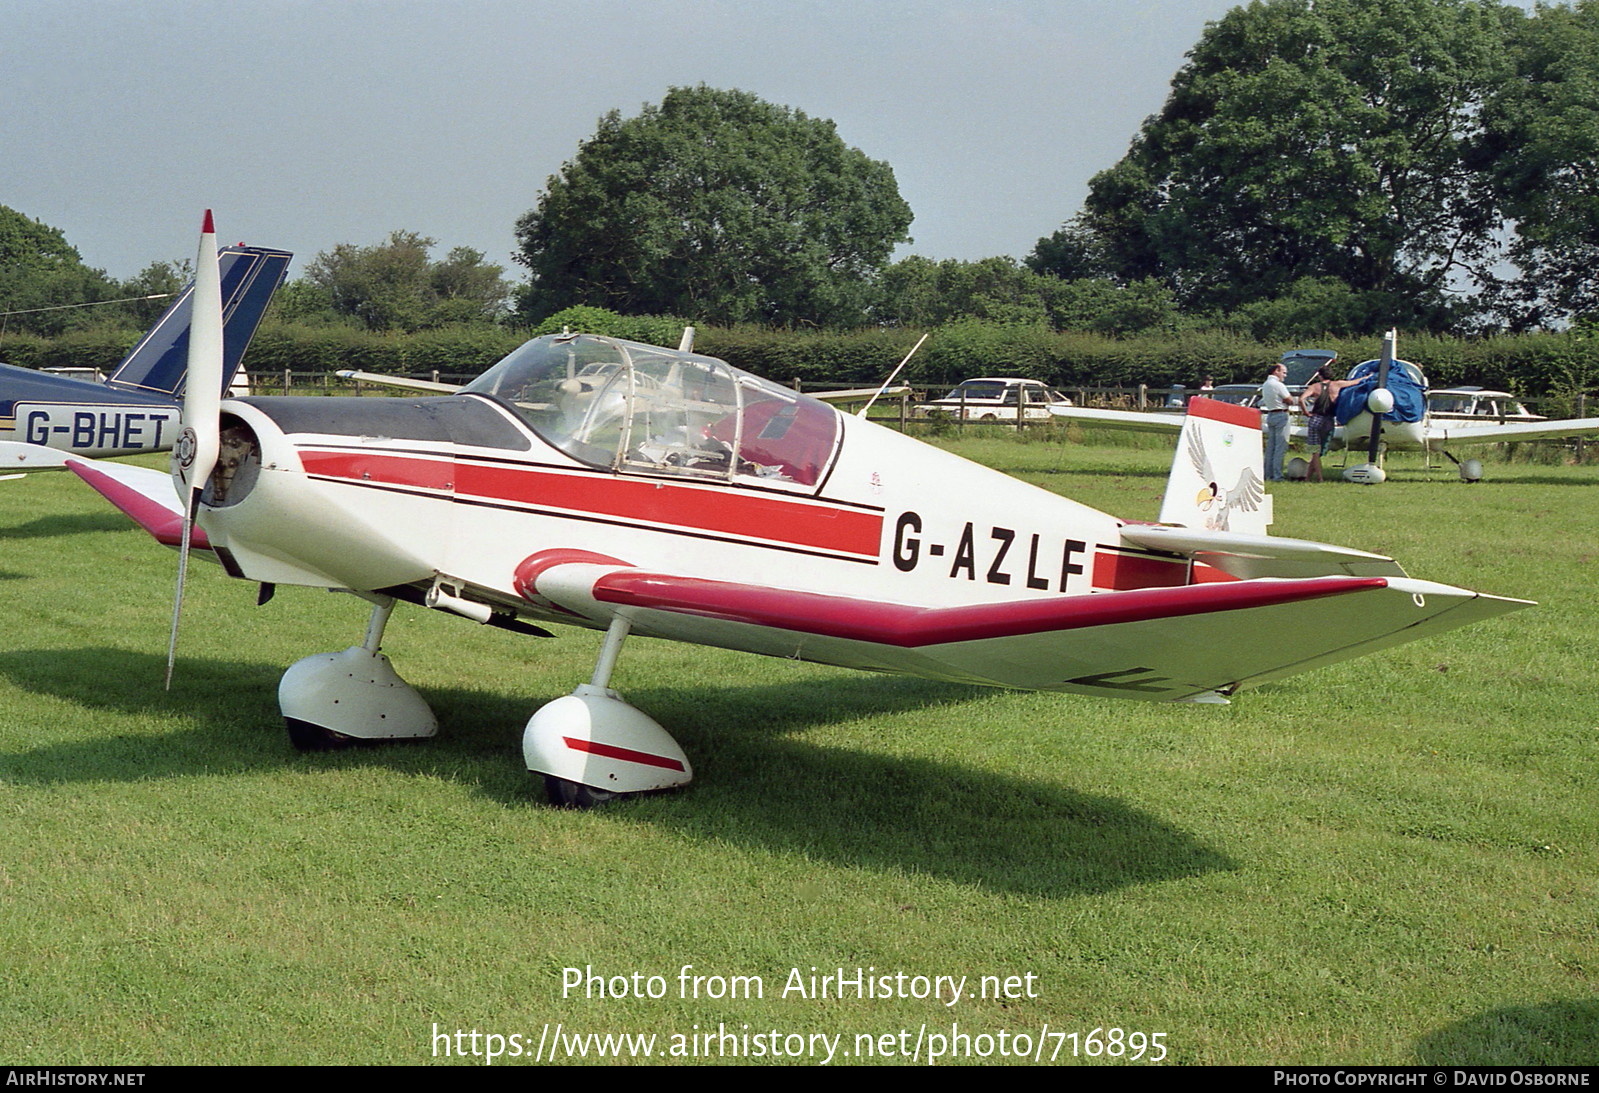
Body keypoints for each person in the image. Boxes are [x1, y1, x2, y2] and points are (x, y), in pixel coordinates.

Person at [1299, 363, 1354, 482]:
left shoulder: (1314, 387)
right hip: (1329, 421)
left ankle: (1320, 478)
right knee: (1320, 451)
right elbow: (1355, 382)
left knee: (1314, 452)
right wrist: (1367, 377)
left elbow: (1301, 399)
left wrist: (1306, 413)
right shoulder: (1337, 384)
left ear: (1320, 376)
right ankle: (1308, 478)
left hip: (1316, 419)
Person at [1259, 362, 1292, 481]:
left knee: (1271, 447)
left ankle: (1268, 474)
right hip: (1281, 414)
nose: (1285, 375)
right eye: (1283, 372)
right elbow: (1289, 400)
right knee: (1280, 446)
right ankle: (1277, 475)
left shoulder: (1266, 384)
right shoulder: (1278, 385)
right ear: (1276, 371)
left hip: (1271, 414)